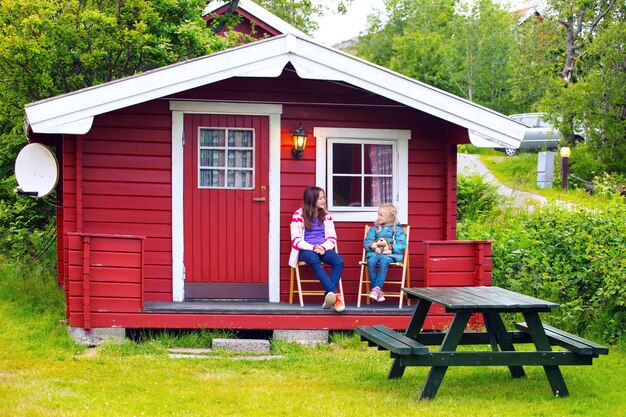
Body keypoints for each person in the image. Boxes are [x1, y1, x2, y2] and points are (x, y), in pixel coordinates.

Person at [289, 186, 345, 312]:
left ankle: (328, 296)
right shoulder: (298, 215)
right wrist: (313, 247)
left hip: (323, 249)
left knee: (338, 261)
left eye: (324, 197)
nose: (324, 200)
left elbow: (332, 238)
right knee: (314, 259)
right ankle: (335, 296)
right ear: (311, 199)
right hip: (305, 250)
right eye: (320, 198)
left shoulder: (326, 216)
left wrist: (323, 248)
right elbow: (296, 240)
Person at [363, 203, 406, 302]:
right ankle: (377, 290)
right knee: (371, 261)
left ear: (390, 217)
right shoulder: (374, 229)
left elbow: (402, 245)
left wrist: (390, 249)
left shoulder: (397, 229)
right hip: (375, 253)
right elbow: (367, 243)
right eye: (378, 214)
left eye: (381, 215)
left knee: (384, 261)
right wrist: (374, 248)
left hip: (390, 254)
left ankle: (376, 288)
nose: (378, 217)